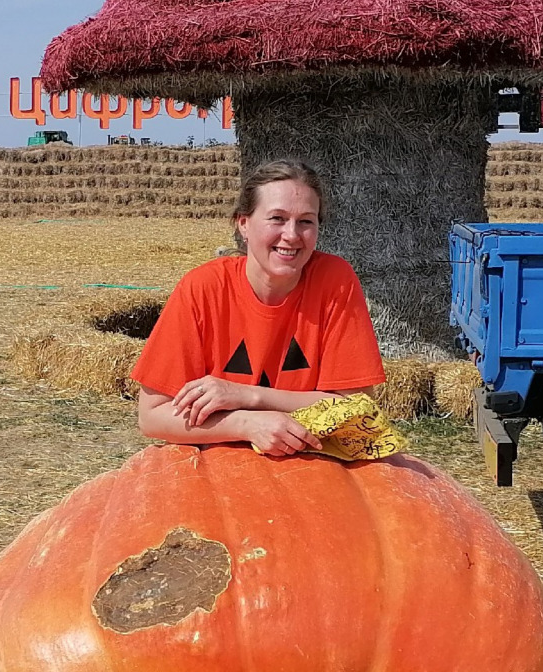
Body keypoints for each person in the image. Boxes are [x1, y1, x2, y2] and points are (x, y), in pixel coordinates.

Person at [132, 160, 385, 455]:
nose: (291, 235)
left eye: (306, 221)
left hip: (310, 464)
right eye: (277, 218)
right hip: (218, 466)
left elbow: (357, 410)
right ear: (244, 224)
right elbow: (152, 416)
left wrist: (247, 395)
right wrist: (246, 424)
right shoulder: (203, 288)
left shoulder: (335, 281)